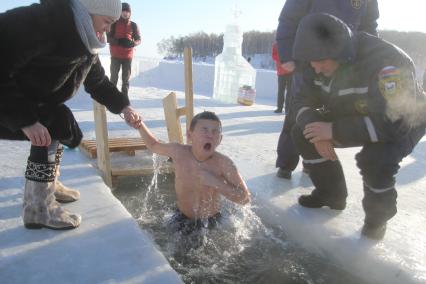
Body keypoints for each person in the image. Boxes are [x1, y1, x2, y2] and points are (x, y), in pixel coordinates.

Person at [0, 0, 141, 230]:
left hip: (33, 101)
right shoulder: (44, 22)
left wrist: (124, 107)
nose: (107, 29)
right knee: (45, 125)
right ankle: (38, 209)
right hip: (7, 101)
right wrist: (25, 121)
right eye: (107, 22)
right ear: (90, 11)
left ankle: (48, 183)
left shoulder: (86, 40)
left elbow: (97, 82)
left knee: (59, 122)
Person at [290, 13, 425, 240]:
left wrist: (334, 131)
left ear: (339, 52)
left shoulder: (387, 61)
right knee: (304, 133)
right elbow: (300, 101)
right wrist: (316, 127)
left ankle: (377, 219)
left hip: (404, 120)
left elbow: (396, 123)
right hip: (353, 112)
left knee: (376, 159)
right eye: (311, 62)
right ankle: (331, 194)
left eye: (321, 61)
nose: (316, 68)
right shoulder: (312, 62)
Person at [274, 0, 380, 179]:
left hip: (344, 60)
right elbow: (288, 19)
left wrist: (369, 57)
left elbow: (369, 25)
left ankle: (312, 159)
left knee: (329, 110)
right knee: (299, 109)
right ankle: (286, 162)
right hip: (309, 58)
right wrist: (287, 54)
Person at [137, 111, 251, 232]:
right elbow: (154, 145)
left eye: (215, 131)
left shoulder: (223, 164)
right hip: (181, 216)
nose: (210, 135)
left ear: (220, 139)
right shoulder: (179, 152)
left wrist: (216, 182)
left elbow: (245, 198)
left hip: (210, 221)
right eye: (204, 130)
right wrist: (139, 124)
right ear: (190, 135)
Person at [107, 2, 141, 96]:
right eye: (123, 11)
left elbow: (139, 39)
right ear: (120, 12)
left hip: (128, 56)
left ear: (130, 13)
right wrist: (117, 41)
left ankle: (124, 97)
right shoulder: (113, 23)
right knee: (113, 78)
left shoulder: (134, 25)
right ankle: (111, 96)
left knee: (125, 79)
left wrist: (133, 43)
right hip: (115, 56)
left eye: (127, 11)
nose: (125, 13)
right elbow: (107, 38)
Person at [272, 42, 292, 114]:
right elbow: (274, 56)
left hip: (291, 71)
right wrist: (282, 59)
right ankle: (279, 108)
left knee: (290, 91)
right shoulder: (276, 44)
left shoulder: (290, 42)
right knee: (281, 90)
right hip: (281, 72)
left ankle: (287, 109)